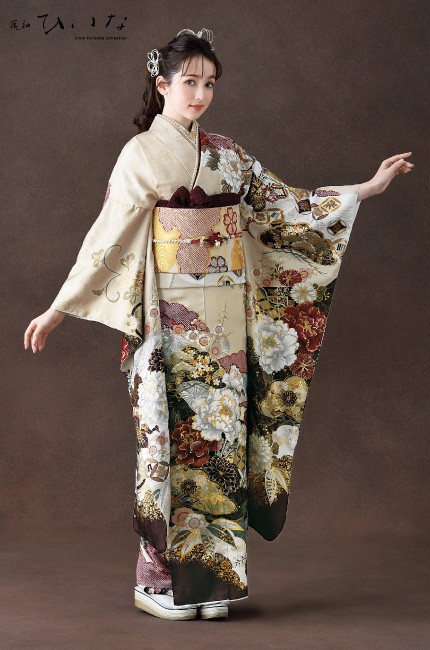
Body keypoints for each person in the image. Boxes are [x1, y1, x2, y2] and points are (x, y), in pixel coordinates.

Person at [24, 27, 413, 621]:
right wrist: (58, 309)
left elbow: (284, 206)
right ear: (162, 86)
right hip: (167, 319)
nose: (201, 94)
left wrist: (365, 188)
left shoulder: (228, 154)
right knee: (167, 440)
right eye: (190, 82)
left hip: (224, 322)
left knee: (220, 441)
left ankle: (213, 580)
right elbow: (107, 238)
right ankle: (158, 579)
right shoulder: (141, 154)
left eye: (210, 83)